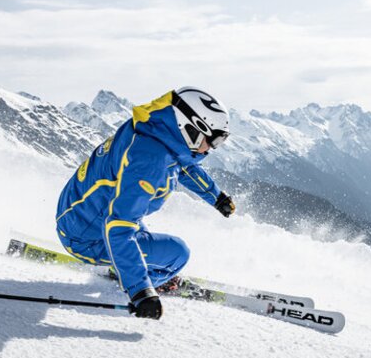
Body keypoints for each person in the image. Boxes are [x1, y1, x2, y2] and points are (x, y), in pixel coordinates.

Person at [55, 86, 236, 320]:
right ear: (191, 126)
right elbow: (118, 227)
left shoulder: (155, 132)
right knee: (178, 253)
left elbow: (181, 166)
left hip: (79, 213)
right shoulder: (149, 162)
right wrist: (141, 292)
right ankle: (132, 277)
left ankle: (126, 266)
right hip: (86, 237)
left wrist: (216, 197)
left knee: (143, 236)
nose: (211, 148)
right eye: (214, 139)